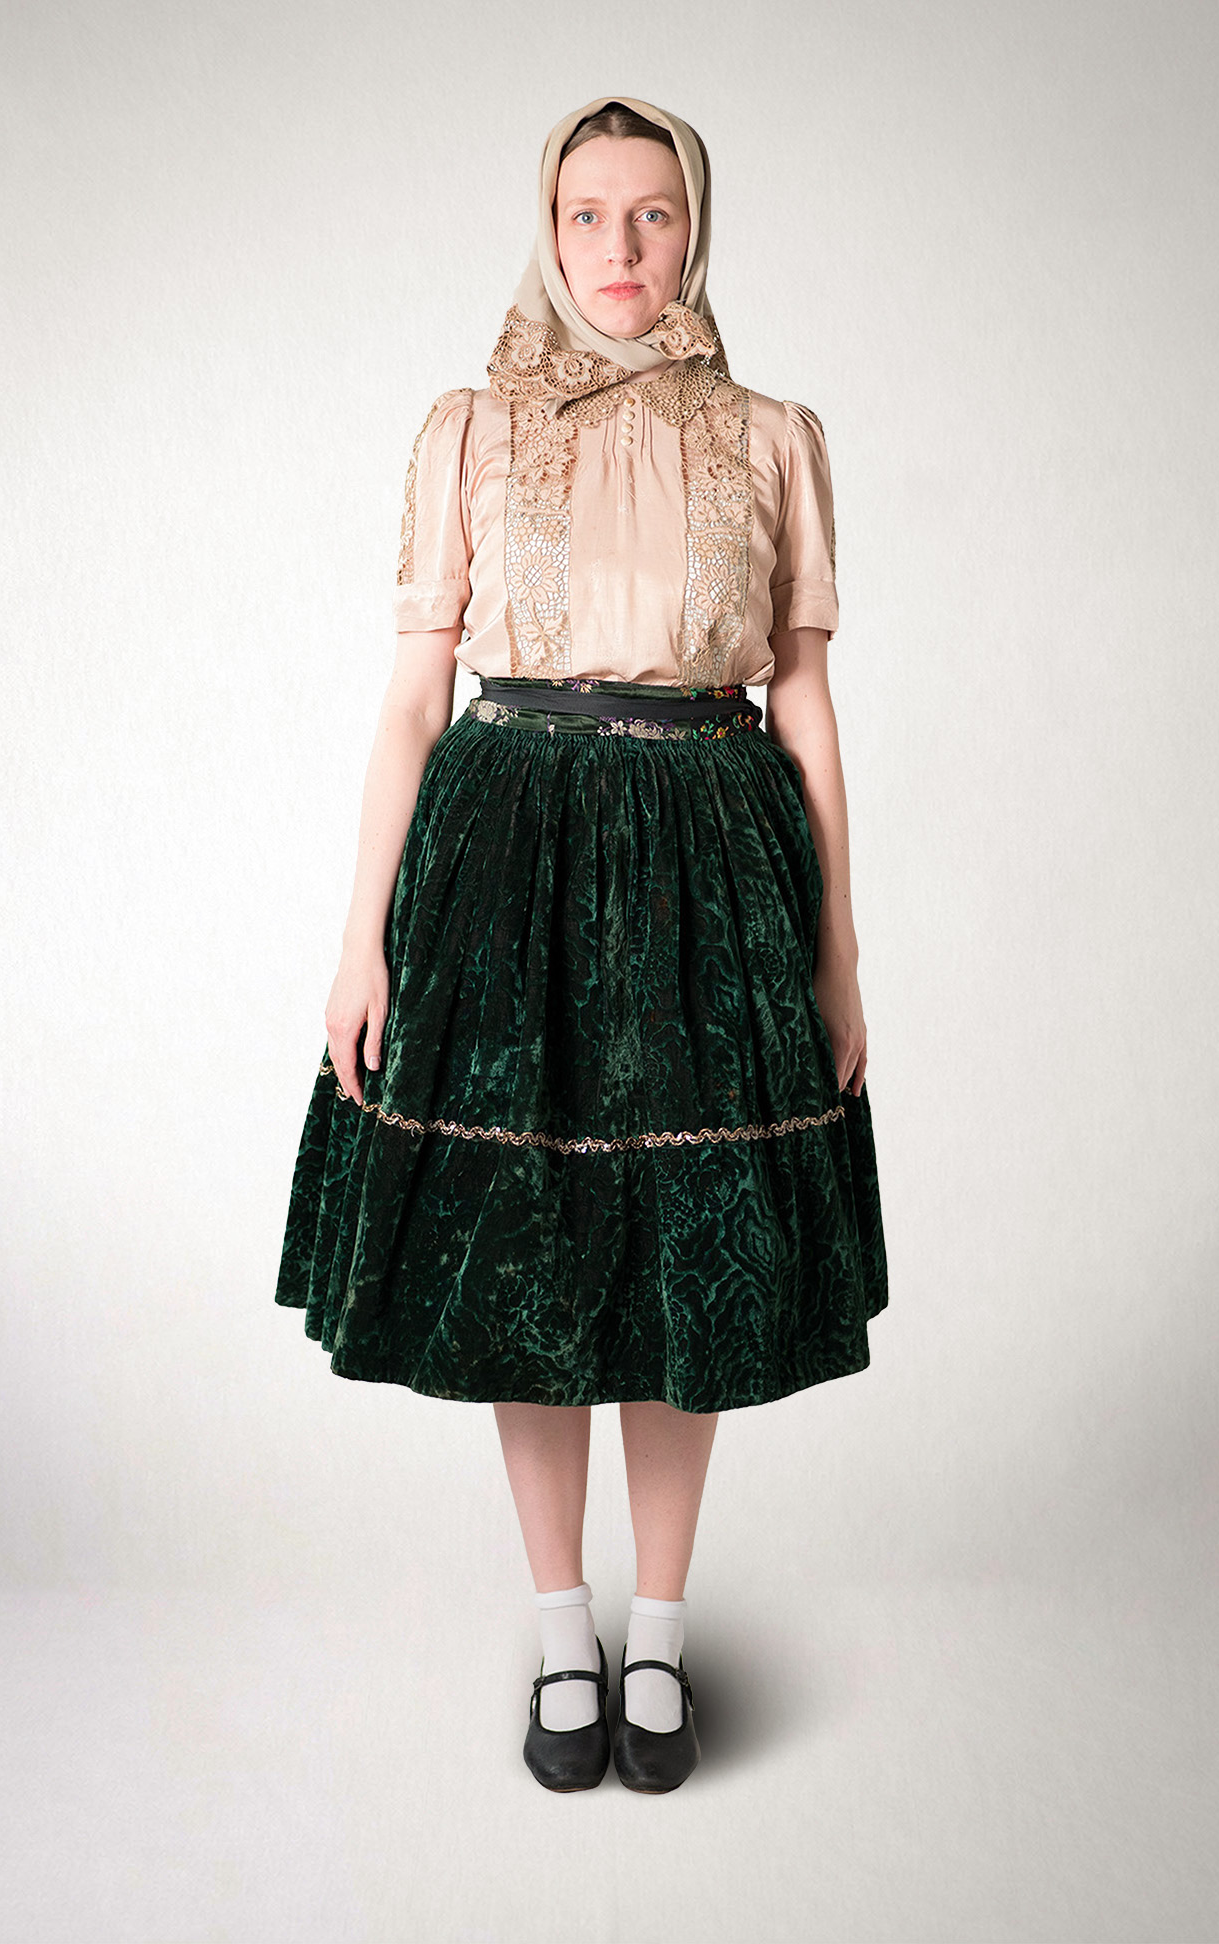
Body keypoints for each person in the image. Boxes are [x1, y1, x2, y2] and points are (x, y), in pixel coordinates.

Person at [275, 94, 888, 1795]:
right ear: (545, 234)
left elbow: (804, 703)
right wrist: (360, 942)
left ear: (695, 229)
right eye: (584, 215)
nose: (619, 248)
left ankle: (660, 1633)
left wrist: (838, 950)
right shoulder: (468, 428)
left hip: (710, 842)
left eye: (653, 214)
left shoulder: (771, 434)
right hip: (505, 845)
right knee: (526, 1250)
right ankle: (564, 1630)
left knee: (686, 1243)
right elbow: (413, 700)